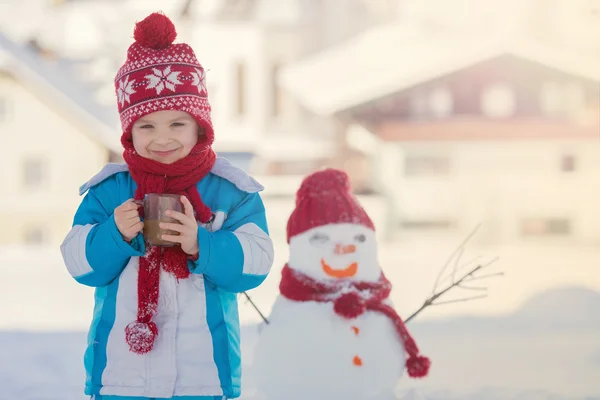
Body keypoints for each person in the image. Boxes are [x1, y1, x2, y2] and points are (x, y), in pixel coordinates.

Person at [60, 12, 274, 400]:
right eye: (147, 126)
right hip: (121, 375)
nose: (162, 139)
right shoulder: (111, 190)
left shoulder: (230, 191)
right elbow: (79, 263)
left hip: (204, 375)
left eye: (177, 124)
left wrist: (201, 245)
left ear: (200, 126)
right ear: (129, 131)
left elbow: (256, 263)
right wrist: (113, 234)